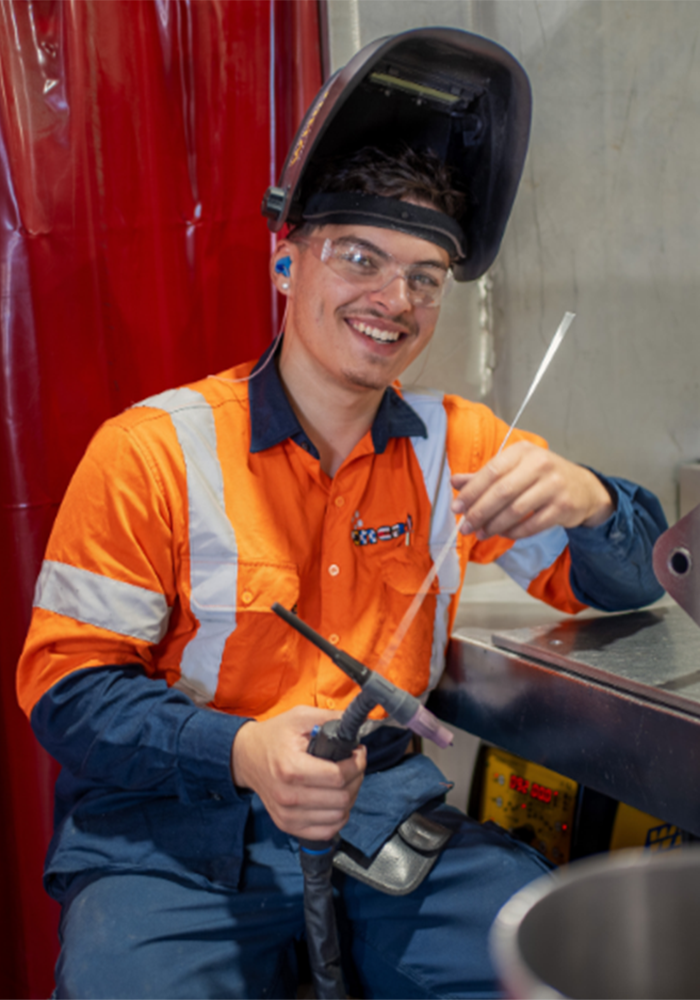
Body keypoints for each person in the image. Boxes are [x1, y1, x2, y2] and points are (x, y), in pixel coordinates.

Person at [17, 37, 666, 1000]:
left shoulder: (458, 444)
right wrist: (240, 749)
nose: (392, 300)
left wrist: (598, 505)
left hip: (384, 830)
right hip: (176, 845)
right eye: (360, 257)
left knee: (554, 964)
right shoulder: (152, 450)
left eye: (423, 277)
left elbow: (632, 581)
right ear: (286, 264)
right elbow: (67, 692)